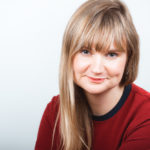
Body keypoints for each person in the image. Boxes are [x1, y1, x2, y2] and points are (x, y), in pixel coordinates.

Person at [35, 0, 150, 150]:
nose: (96, 69)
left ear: (129, 59)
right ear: (69, 55)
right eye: (85, 51)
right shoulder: (55, 111)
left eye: (111, 54)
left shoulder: (145, 115)